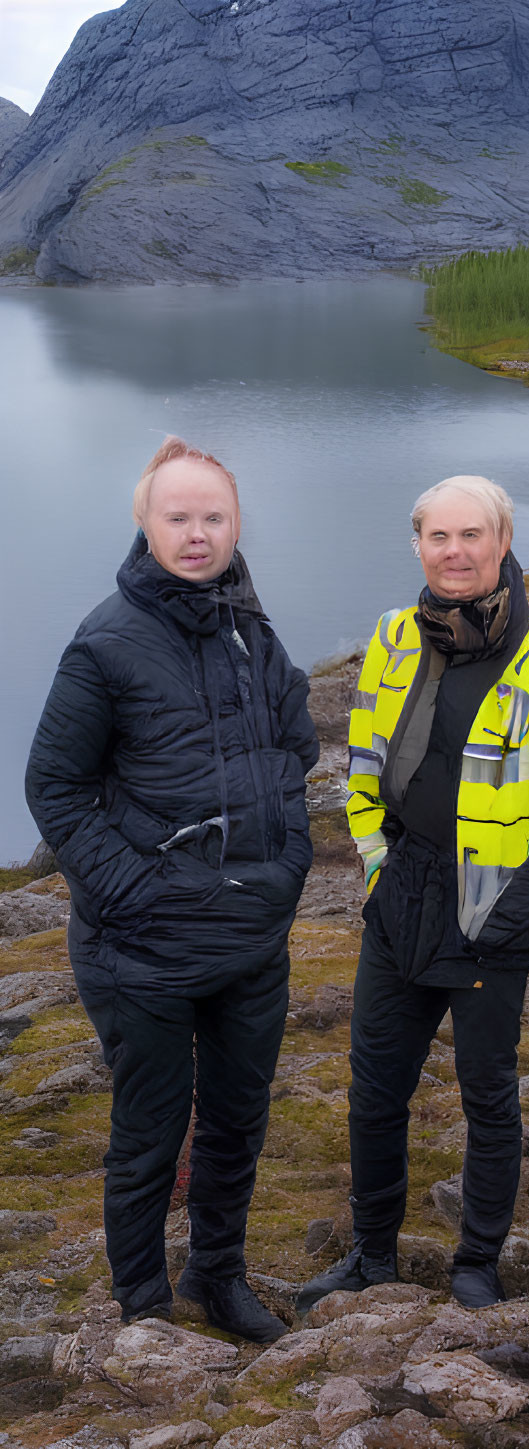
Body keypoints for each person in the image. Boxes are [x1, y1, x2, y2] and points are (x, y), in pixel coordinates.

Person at [25, 438, 317, 1342]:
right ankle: (143, 1308)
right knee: (150, 1134)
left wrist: (286, 869)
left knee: (236, 1121)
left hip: (249, 938)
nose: (197, 535)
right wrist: (137, 894)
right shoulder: (105, 641)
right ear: (146, 525)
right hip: (142, 947)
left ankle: (216, 1277)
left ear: (235, 525)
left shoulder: (250, 629)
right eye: (178, 517)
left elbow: (292, 756)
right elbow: (55, 789)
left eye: (214, 518)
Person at [296, 476, 529, 1314]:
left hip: (490, 915)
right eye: (439, 537)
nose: (455, 552)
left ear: (503, 545)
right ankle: (370, 1255)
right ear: (418, 546)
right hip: (401, 899)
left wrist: (513, 911)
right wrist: (374, 871)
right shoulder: (395, 638)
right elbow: (360, 766)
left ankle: (477, 1262)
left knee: (486, 1094)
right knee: (374, 1088)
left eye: (472, 536)